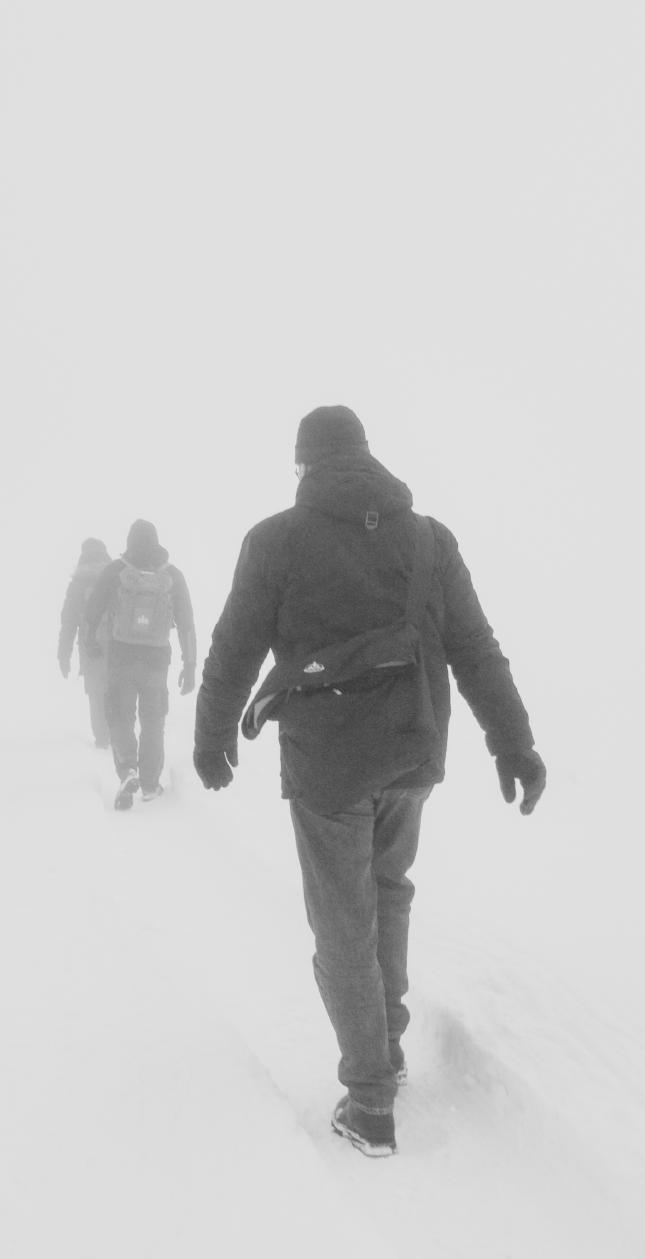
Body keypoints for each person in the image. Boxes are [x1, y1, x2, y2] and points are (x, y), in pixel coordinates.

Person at [194, 404, 545, 1157]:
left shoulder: (275, 540)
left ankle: (370, 1100)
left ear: (303, 464)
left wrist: (213, 734)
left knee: (343, 922)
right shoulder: (428, 539)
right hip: (414, 753)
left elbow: (233, 647)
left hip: (327, 767)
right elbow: (476, 649)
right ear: (364, 454)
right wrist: (513, 744)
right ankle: (386, 1046)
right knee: (387, 892)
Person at [85, 519, 196, 808]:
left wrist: (90, 641)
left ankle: (127, 770)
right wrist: (190, 664)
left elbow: (92, 609)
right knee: (153, 721)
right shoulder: (172, 575)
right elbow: (186, 623)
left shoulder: (116, 571)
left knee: (120, 716)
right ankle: (149, 783)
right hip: (157, 661)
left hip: (121, 656)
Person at [56, 536, 113, 746]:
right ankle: (118, 736)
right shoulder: (116, 577)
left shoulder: (78, 584)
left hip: (91, 647)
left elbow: (69, 623)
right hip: (118, 645)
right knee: (116, 689)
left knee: (96, 694)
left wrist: (64, 655)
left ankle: (102, 739)